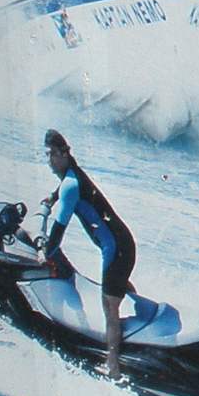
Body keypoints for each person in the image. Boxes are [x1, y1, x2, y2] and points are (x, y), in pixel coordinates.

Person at [40, 130, 137, 377]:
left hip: (116, 250)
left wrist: (45, 253)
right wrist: (52, 197)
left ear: (64, 154)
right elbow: (65, 187)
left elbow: (58, 232)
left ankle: (113, 366)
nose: (49, 160)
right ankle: (137, 336)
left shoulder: (70, 185)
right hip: (123, 244)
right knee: (118, 288)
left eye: (52, 155)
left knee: (109, 305)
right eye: (47, 155)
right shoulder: (71, 176)